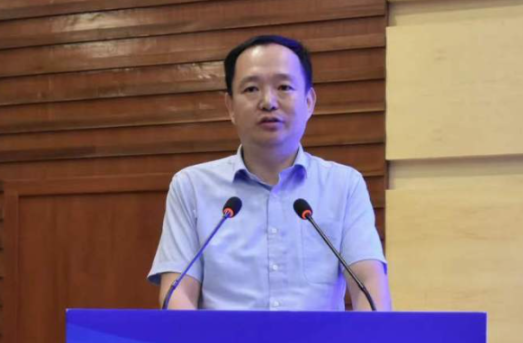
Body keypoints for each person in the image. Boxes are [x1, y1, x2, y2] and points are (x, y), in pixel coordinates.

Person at [148, 35, 391, 311]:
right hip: (223, 341)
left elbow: (369, 285)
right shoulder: (191, 186)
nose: (268, 102)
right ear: (230, 106)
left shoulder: (344, 185)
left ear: (309, 102)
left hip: (319, 341)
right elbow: (178, 292)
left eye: (284, 87)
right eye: (251, 89)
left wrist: (373, 337)